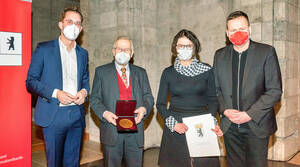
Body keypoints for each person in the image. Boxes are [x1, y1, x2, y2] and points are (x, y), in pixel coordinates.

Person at [213, 11, 282, 167]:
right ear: (227, 33)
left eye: (242, 29)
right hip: (230, 127)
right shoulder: (219, 56)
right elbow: (215, 90)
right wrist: (224, 110)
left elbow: (274, 91)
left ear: (249, 29)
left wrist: (249, 114)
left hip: (256, 126)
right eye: (233, 30)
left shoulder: (266, 52)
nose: (238, 33)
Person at [26, 7, 89, 167]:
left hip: (76, 114)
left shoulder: (83, 53)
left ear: (81, 29)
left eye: (77, 23)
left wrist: (84, 92)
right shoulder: (44, 49)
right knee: (54, 162)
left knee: (73, 162)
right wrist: (55, 93)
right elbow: (31, 81)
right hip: (53, 115)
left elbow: (85, 80)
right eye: (69, 22)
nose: (73, 26)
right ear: (60, 24)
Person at [156, 29, 223, 167]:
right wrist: (173, 124)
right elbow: (160, 104)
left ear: (195, 48)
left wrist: (212, 121)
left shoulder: (206, 70)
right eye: (181, 46)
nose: (184, 49)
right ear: (175, 48)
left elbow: (212, 99)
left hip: (201, 124)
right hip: (177, 125)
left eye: (188, 46)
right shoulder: (168, 73)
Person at [90, 36, 154, 167]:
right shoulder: (101, 72)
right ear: (113, 51)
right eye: (119, 49)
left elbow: (148, 97)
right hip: (111, 129)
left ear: (131, 53)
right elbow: (95, 99)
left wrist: (144, 109)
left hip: (135, 129)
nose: (123, 52)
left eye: (127, 49)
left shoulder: (141, 72)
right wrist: (105, 113)